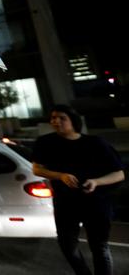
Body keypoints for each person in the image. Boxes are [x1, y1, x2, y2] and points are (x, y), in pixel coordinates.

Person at [32, 105, 124, 275]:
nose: (56, 121)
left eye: (61, 118)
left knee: (99, 247)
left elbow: (119, 174)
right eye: (53, 118)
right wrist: (60, 176)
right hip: (65, 203)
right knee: (67, 245)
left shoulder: (96, 143)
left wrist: (96, 182)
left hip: (96, 203)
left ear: (73, 121)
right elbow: (37, 169)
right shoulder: (45, 142)